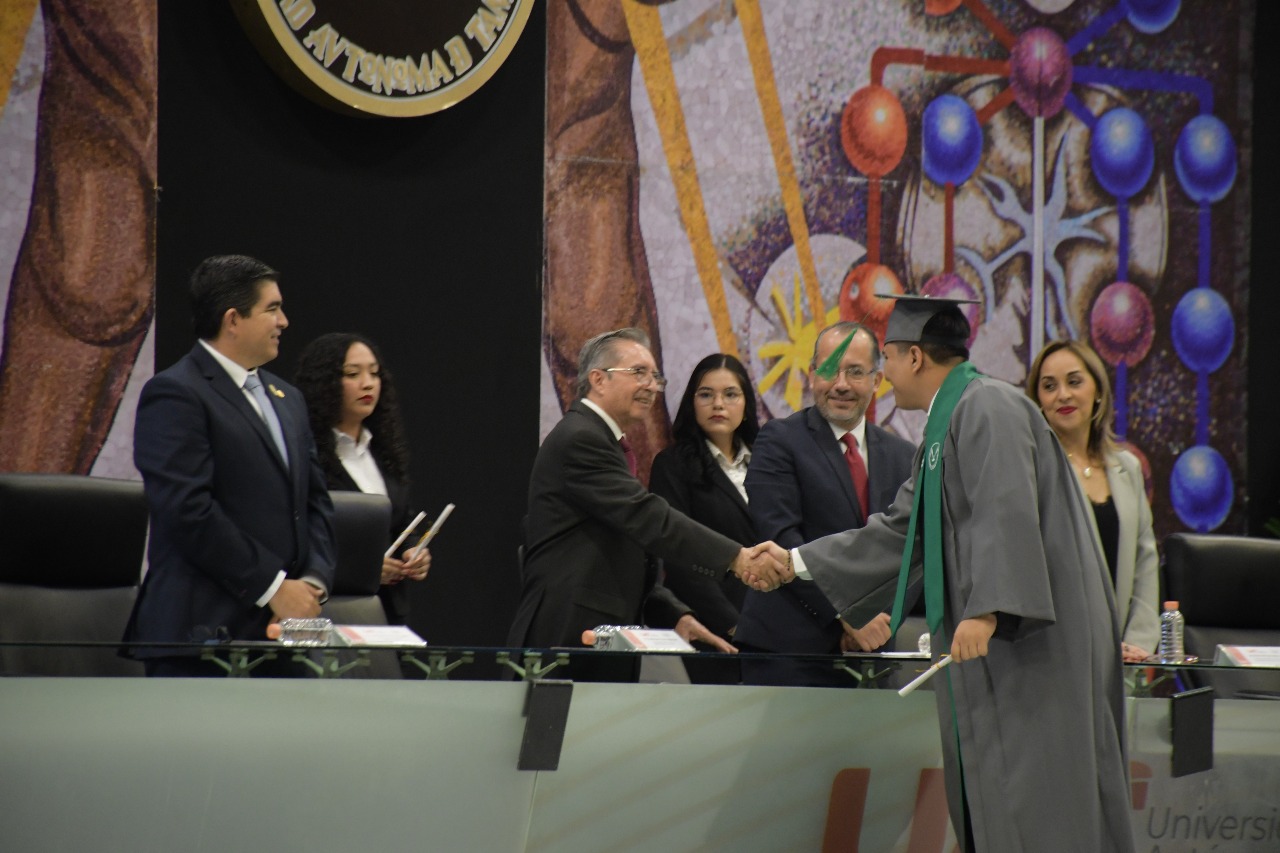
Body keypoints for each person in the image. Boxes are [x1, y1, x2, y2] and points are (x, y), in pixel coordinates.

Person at [776, 296, 1133, 852]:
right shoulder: (948, 424)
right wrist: (794, 562)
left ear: (914, 357)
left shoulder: (988, 407)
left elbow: (1005, 508)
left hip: (1033, 641)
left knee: (1041, 798)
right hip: (991, 643)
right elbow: (903, 529)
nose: (885, 377)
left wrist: (988, 608)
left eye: (887, 360)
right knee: (997, 792)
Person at [507, 328, 789, 660]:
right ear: (598, 379)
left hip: (599, 635)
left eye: (655, 376)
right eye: (639, 373)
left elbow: (629, 545)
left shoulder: (605, 441)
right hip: (566, 633)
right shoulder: (580, 438)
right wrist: (735, 558)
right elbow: (647, 516)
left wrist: (674, 614)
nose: (651, 386)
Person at [124, 255, 336, 676]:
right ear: (233, 319)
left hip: (286, 638)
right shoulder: (175, 394)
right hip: (202, 643)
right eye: (272, 308)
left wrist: (309, 586)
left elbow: (315, 502)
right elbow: (187, 510)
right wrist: (273, 588)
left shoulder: (287, 398)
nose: (285, 321)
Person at [736, 322, 916, 686]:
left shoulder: (904, 455)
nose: (841, 385)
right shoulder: (779, 440)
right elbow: (781, 538)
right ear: (811, 374)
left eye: (855, 372)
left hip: (875, 651)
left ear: (877, 379)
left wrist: (878, 618)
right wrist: (847, 615)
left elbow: (911, 550)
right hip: (790, 650)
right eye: (830, 370)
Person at [1028, 340, 1160, 662]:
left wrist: (1139, 642)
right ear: (1038, 402)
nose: (1063, 395)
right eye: (1049, 386)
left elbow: (1145, 562)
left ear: (1097, 390)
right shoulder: (1031, 472)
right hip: (1055, 657)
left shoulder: (1126, 467)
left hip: (1123, 658)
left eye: (1074, 381)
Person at [295, 332, 430, 626]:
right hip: (329, 614)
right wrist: (363, 568)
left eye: (374, 373)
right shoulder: (305, 455)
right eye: (353, 374)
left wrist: (415, 551)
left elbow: (401, 521)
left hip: (389, 613)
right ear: (324, 383)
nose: (367, 383)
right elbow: (299, 538)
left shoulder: (381, 452)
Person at [648, 354, 757, 664]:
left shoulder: (771, 462)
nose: (718, 404)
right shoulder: (672, 465)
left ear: (746, 404)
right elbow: (678, 553)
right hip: (713, 628)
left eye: (731, 394)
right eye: (706, 394)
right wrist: (733, 624)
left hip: (776, 625)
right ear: (691, 403)